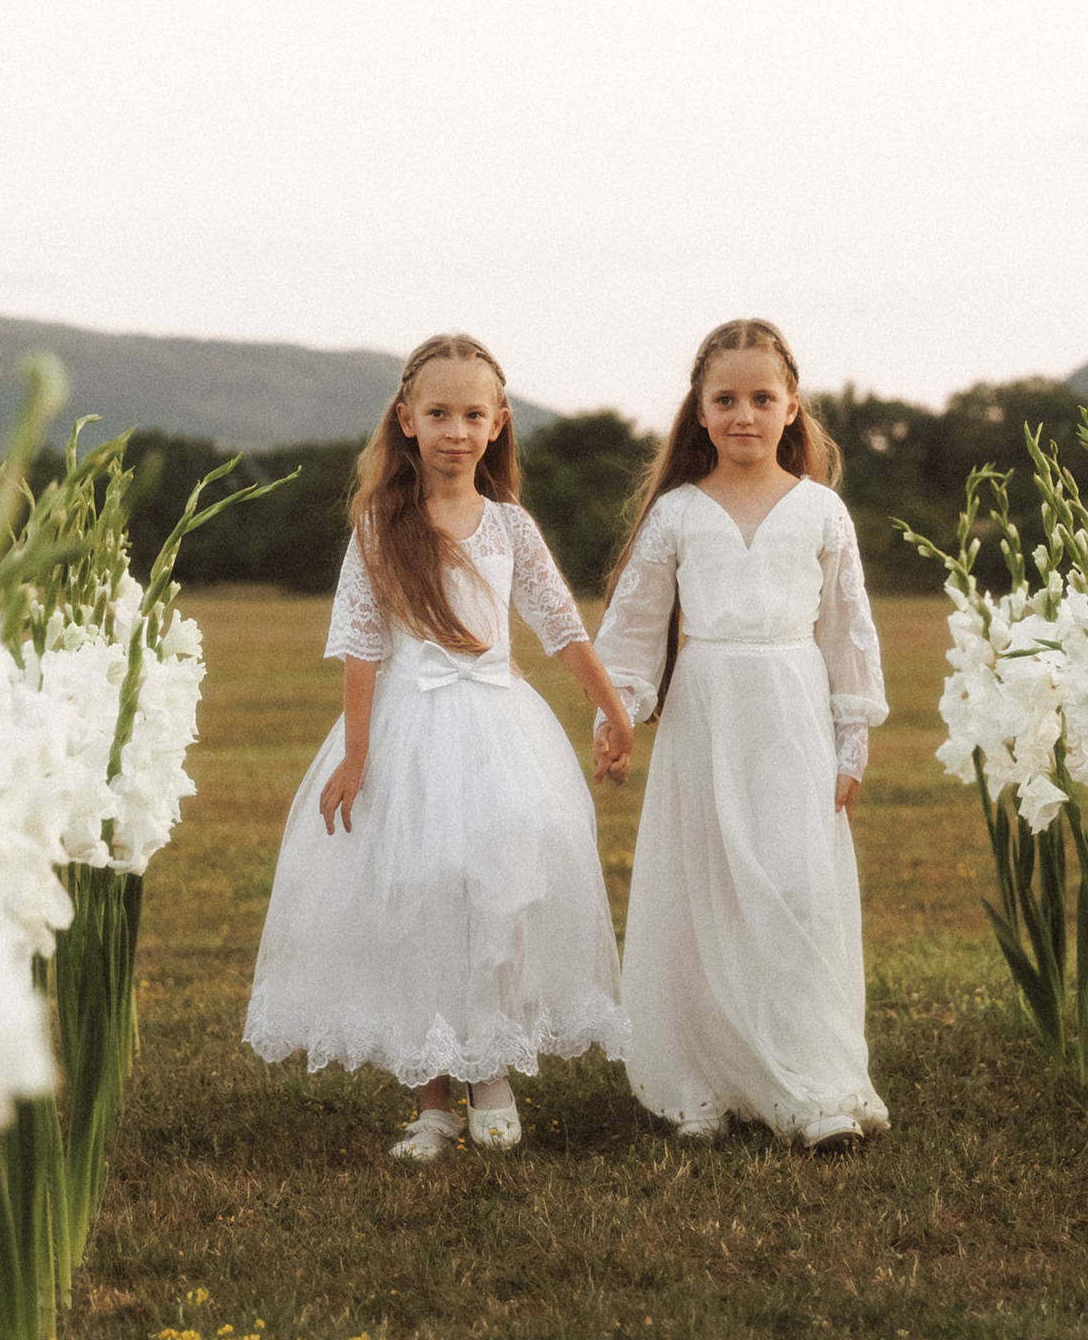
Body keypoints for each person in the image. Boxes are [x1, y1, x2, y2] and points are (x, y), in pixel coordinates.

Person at [245, 333, 634, 1160]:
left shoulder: (511, 527)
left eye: (472, 413)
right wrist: (356, 754)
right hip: (408, 732)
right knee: (416, 897)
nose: (456, 429)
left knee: (501, 888)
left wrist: (611, 708)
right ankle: (433, 1101)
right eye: (438, 413)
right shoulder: (381, 527)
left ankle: (489, 1065)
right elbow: (360, 641)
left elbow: (559, 624)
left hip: (498, 730)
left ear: (498, 424)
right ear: (407, 421)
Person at [594, 318, 889, 1151]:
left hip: (793, 713)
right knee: (710, 890)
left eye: (763, 398)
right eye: (725, 399)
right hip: (708, 715)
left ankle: (809, 1081)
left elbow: (848, 633)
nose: (744, 415)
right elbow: (636, 624)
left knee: (794, 888)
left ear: (793, 407)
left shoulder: (823, 512)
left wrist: (852, 740)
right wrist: (617, 718)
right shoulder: (678, 514)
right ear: (699, 408)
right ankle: (707, 1078)